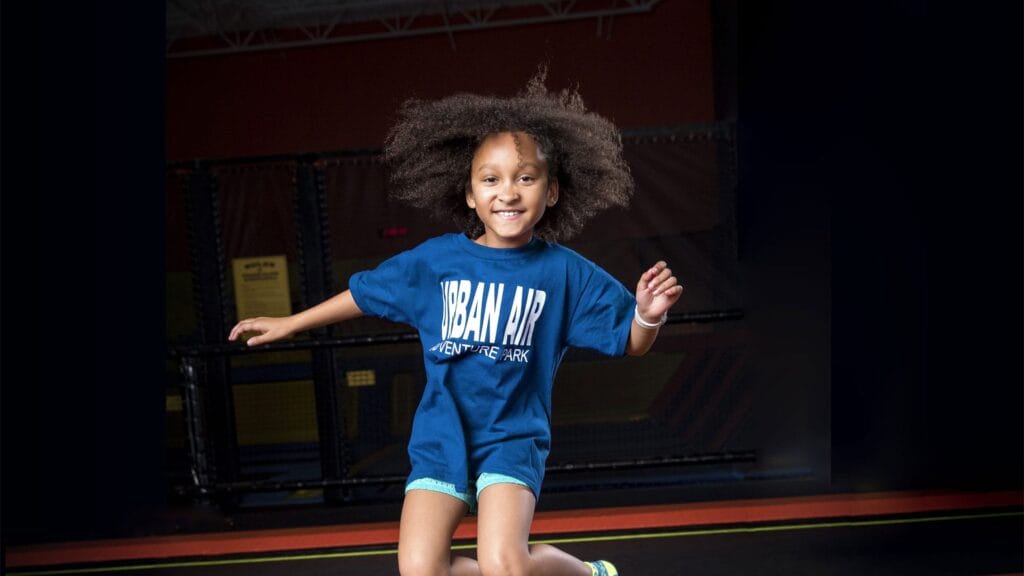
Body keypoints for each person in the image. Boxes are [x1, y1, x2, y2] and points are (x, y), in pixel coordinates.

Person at [229, 70, 683, 576]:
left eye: (525, 178)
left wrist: (647, 316)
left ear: (552, 191)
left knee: (505, 565)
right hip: (441, 435)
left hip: (512, 436)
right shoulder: (437, 262)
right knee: (422, 571)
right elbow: (364, 293)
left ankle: (592, 574)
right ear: (469, 194)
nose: (508, 192)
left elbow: (630, 342)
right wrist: (292, 323)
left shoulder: (565, 273)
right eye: (491, 179)